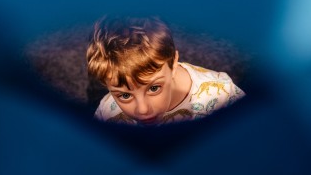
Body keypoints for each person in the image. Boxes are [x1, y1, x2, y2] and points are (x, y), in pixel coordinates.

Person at [86, 16, 245, 125]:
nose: (142, 110)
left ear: (173, 63)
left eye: (154, 88)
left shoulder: (222, 95)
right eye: (125, 95)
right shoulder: (107, 112)